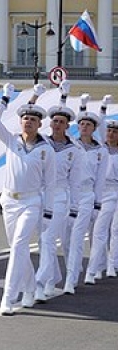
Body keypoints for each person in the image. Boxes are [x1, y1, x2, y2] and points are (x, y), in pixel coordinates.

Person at [0, 83, 55, 314]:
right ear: (20, 122)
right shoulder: (11, 140)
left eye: (33, 119)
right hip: (9, 201)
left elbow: (51, 183)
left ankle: (8, 297)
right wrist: (5, 98)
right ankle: (29, 288)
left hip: (31, 202)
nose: (28, 121)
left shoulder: (47, 149)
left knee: (18, 245)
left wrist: (48, 211)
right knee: (17, 247)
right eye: (25, 118)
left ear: (39, 124)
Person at [34, 97, 77, 301]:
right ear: (50, 123)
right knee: (43, 242)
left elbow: (75, 181)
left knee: (49, 238)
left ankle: (40, 283)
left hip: (60, 195)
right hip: (40, 193)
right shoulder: (42, 143)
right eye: (55, 121)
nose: (57, 125)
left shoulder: (74, 150)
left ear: (67, 125)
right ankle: (53, 277)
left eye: (61, 122)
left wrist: (75, 206)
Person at [66, 94, 107, 290]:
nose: (84, 127)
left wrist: (97, 204)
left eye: (88, 125)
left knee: (78, 235)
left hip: (87, 195)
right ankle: (71, 270)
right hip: (68, 194)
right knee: (66, 237)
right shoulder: (71, 145)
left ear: (94, 128)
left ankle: (73, 279)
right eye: (81, 124)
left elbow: (100, 180)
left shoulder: (100, 150)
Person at [85, 94, 117, 284]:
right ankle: (99, 264)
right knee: (96, 230)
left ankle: (112, 264)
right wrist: (103, 107)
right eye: (109, 131)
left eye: (115, 132)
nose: (111, 134)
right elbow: (100, 124)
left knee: (114, 229)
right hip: (100, 192)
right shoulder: (102, 149)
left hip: (116, 192)